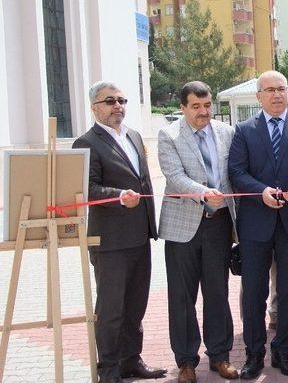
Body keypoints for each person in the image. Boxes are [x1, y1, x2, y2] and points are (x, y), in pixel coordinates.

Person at [228, 71, 288, 379]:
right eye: (270, 90)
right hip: (257, 222)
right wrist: (261, 192)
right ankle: (254, 354)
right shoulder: (243, 130)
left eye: (282, 89)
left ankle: (283, 351)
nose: (277, 94)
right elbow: (237, 171)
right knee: (253, 292)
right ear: (259, 96)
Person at [72, 81, 166, 383]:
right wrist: (118, 194)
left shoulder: (135, 137)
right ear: (94, 107)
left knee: (135, 307)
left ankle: (131, 361)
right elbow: (87, 188)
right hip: (110, 241)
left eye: (121, 100)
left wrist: (152, 226)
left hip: (139, 236)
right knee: (111, 310)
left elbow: (144, 182)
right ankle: (109, 370)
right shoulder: (86, 142)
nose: (118, 106)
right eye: (110, 101)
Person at [157, 81, 238, 382]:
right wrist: (205, 193)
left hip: (218, 225)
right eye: (196, 106)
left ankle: (220, 356)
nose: (203, 112)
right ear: (183, 107)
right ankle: (186, 361)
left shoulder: (226, 133)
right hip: (182, 227)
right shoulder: (169, 135)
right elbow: (174, 176)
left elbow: (233, 174)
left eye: (207, 105)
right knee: (182, 297)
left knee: (218, 293)